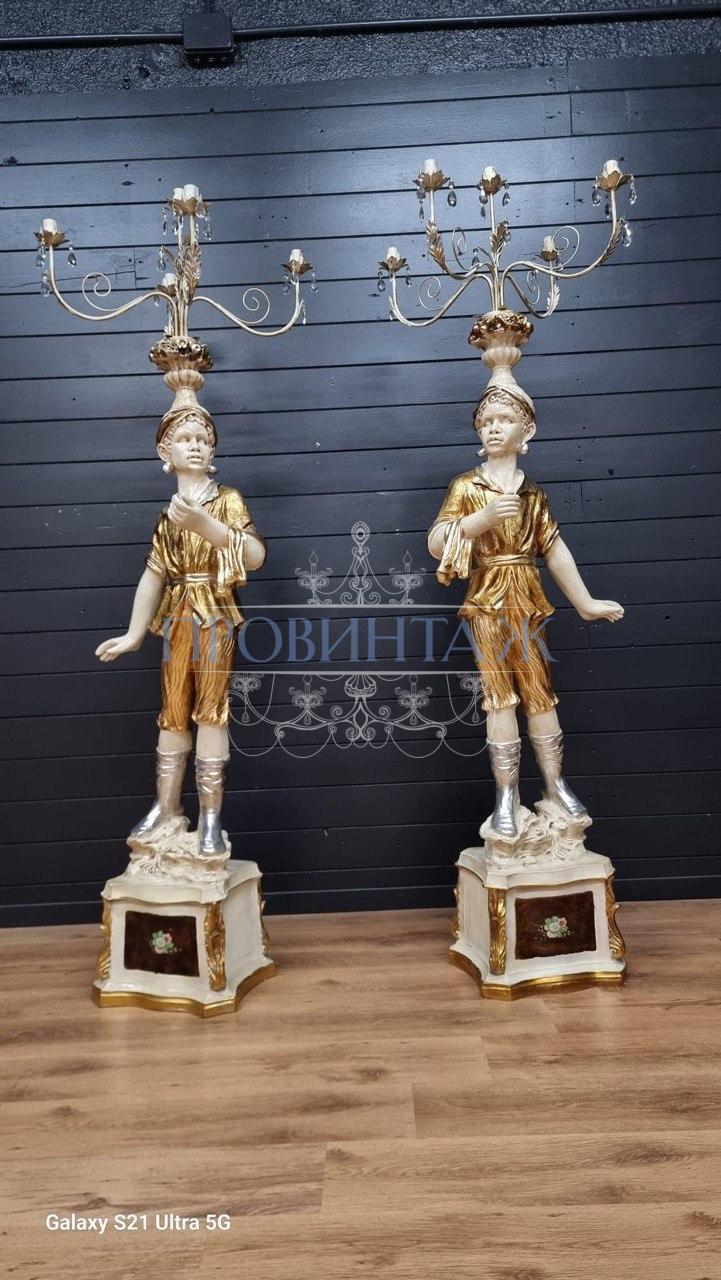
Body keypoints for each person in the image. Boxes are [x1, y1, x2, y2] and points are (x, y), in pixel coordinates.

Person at [428, 372, 623, 840]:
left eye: (504, 419)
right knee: (499, 696)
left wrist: (585, 602)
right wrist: (480, 520)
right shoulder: (466, 486)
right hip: (487, 600)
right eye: (486, 422)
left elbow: (553, 549)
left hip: (527, 599)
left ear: (526, 430)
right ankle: (506, 795)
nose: (493, 428)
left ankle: (555, 783)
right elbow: (437, 542)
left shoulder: (532, 493)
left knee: (539, 691)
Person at [95, 402, 266, 856]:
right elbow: (153, 575)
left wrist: (205, 525)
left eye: (203, 440)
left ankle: (210, 816)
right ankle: (167, 805)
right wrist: (134, 634)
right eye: (185, 439)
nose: (196, 446)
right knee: (173, 710)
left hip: (215, 614)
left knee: (211, 711)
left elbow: (254, 556)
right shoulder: (167, 517)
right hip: (177, 617)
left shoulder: (227, 500)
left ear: (213, 452)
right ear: (164, 452)